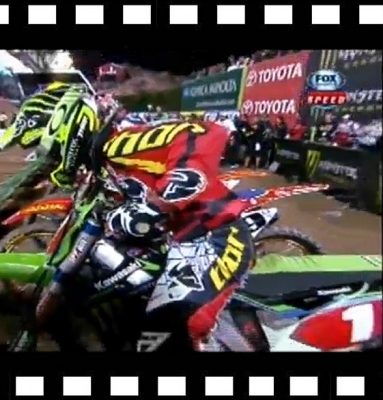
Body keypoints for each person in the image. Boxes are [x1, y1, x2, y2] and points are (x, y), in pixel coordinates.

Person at [36, 92, 257, 349]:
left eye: (53, 154)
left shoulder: (123, 145)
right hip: (179, 238)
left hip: (219, 236)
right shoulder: (105, 160)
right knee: (136, 309)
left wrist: (159, 202)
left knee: (182, 322)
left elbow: (206, 133)